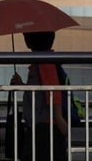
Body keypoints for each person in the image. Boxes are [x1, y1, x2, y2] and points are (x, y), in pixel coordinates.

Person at [9, 31, 68, 161]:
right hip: (41, 125)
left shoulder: (44, 62)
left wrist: (59, 118)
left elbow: (53, 90)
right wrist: (22, 84)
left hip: (45, 127)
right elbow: (41, 90)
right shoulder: (40, 62)